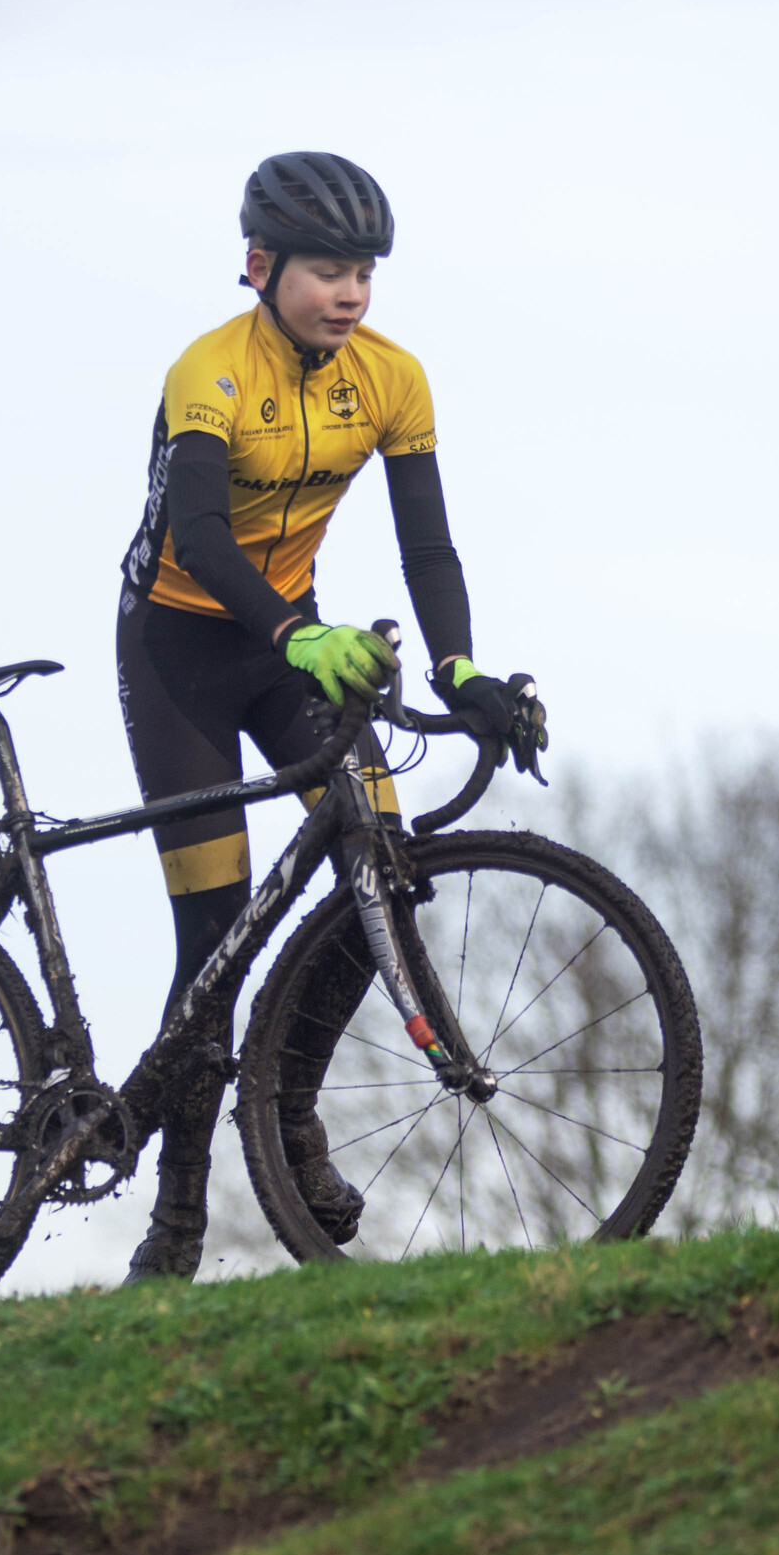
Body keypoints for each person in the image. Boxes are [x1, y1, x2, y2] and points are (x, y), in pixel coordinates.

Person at [116, 149, 544, 1281]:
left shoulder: (392, 379)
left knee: (380, 876)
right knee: (212, 942)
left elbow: (427, 545)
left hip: (287, 644)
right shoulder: (207, 372)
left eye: (361, 271)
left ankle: (287, 1111)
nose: (347, 292)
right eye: (323, 270)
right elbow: (198, 539)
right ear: (261, 266)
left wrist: (461, 675)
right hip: (179, 652)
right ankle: (174, 1226)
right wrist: (296, 633)